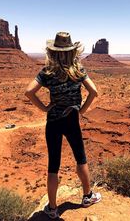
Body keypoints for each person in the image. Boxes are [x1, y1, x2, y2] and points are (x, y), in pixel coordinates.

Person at [25, 32, 101, 219]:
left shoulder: (47, 72)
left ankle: (52, 208)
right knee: (80, 158)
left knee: (53, 165)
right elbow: (94, 91)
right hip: (72, 119)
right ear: (71, 51)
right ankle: (87, 196)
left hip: (53, 121)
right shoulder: (78, 71)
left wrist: (44, 107)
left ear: (53, 52)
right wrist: (81, 110)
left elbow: (29, 92)